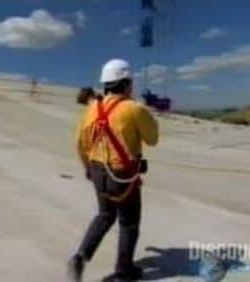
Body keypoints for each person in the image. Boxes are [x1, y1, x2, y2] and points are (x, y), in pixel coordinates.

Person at [68, 59, 159, 281]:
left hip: (97, 170)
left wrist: (88, 169)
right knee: (129, 222)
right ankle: (123, 272)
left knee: (105, 214)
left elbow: (80, 143)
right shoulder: (133, 108)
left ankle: (80, 256)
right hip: (123, 174)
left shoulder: (92, 109)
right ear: (126, 84)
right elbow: (153, 139)